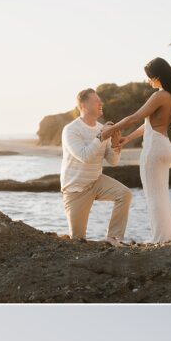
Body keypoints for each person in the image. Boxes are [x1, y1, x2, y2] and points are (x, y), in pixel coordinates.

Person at [100, 58, 171, 242]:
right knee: (161, 195)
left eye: (150, 77)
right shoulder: (170, 96)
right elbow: (150, 125)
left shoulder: (160, 95)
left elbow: (135, 117)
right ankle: (164, 237)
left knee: (154, 196)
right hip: (164, 146)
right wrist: (127, 138)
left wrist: (109, 131)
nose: (148, 81)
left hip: (154, 149)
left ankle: (158, 239)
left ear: (158, 76)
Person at [61, 88, 132, 245]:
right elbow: (85, 156)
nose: (101, 103)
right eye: (96, 101)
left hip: (96, 181)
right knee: (78, 241)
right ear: (84, 106)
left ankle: (113, 238)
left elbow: (113, 161)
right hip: (75, 190)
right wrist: (102, 136)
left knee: (124, 194)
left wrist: (115, 144)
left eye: (100, 100)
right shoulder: (70, 130)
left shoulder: (102, 128)